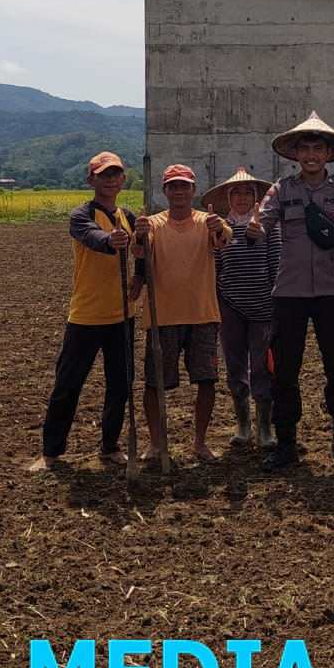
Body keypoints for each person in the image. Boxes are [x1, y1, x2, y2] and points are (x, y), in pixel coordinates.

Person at [245, 112, 334, 471]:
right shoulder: (281, 190)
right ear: (295, 154)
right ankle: (286, 442)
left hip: (333, 292)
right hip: (289, 292)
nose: (310, 155)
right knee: (284, 369)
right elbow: (262, 224)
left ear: (329, 153)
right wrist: (254, 228)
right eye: (304, 148)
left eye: (317, 148)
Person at [30, 151, 140, 472]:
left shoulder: (129, 216)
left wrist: (140, 274)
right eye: (103, 174)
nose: (110, 179)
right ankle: (51, 452)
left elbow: (141, 248)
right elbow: (92, 238)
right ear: (90, 179)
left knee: (120, 384)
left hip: (123, 314)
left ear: (123, 179)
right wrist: (111, 240)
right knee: (68, 384)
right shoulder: (81, 215)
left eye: (116, 174)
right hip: (86, 316)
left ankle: (110, 446)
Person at [133, 164, 231, 463]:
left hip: (202, 314)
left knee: (206, 379)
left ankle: (199, 443)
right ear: (164, 191)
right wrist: (139, 235)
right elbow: (141, 251)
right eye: (172, 186)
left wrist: (219, 228)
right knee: (154, 382)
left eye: (184, 186)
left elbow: (223, 240)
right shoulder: (152, 224)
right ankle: (155, 443)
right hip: (162, 316)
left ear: (193, 190)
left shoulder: (209, 222)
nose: (178, 191)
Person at [202, 166, 282, 450]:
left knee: (262, 367)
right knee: (235, 366)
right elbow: (216, 267)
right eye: (237, 192)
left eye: (249, 193)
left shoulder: (269, 228)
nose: (243, 198)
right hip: (230, 307)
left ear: (257, 198)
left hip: (263, 306)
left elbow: (276, 265)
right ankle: (243, 425)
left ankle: (264, 429)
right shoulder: (219, 229)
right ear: (228, 197)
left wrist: (276, 303)